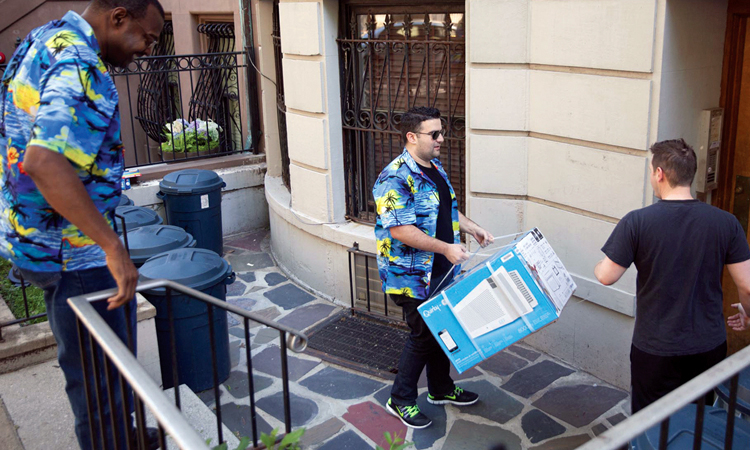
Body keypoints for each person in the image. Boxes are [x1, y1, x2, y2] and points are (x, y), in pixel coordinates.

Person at [0, 0, 164, 448]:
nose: (146, 50)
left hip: (39, 241)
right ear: (118, 17)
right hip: (75, 252)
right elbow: (44, 160)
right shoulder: (80, 63)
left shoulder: (46, 38)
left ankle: (120, 434)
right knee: (99, 373)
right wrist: (112, 247)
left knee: (98, 366)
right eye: (146, 38)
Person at [594, 138, 750, 414]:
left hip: (656, 347)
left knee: (650, 424)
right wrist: (748, 313)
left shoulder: (637, 221)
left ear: (659, 173)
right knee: (697, 420)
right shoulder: (726, 222)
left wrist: (599, 264)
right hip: (708, 346)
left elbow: (606, 276)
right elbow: (747, 286)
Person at [373, 106, 494, 428]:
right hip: (411, 275)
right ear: (412, 137)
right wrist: (446, 248)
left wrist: (473, 229)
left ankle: (441, 389)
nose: (442, 138)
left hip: (442, 269)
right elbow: (400, 230)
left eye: (442, 132)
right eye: (435, 134)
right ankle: (399, 400)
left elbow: (447, 212)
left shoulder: (434, 168)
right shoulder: (394, 177)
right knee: (424, 335)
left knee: (444, 330)